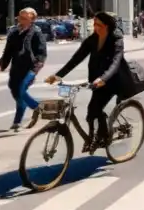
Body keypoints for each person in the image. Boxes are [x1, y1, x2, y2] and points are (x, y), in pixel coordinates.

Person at [45, 11, 127, 152]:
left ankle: (103, 136)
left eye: (99, 25)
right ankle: (95, 137)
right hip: (96, 81)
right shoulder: (92, 40)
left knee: (95, 108)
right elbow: (76, 59)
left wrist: (103, 78)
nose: (95, 28)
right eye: (94, 24)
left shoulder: (116, 39)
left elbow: (115, 62)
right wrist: (58, 75)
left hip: (112, 80)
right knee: (91, 113)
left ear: (107, 26)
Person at [0, 7, 47, 132]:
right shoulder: (13, 32)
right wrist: (2, 63)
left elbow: (41, 52)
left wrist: (37, 66)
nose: (20, 19)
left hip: (30, 67)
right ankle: (17, 122)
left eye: (24, 17)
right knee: (15, 90)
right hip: (17, 66)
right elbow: (8, 50)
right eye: (20, 16)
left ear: (32, 19)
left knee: (21, 89)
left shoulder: (36, 32)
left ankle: (37, 107)